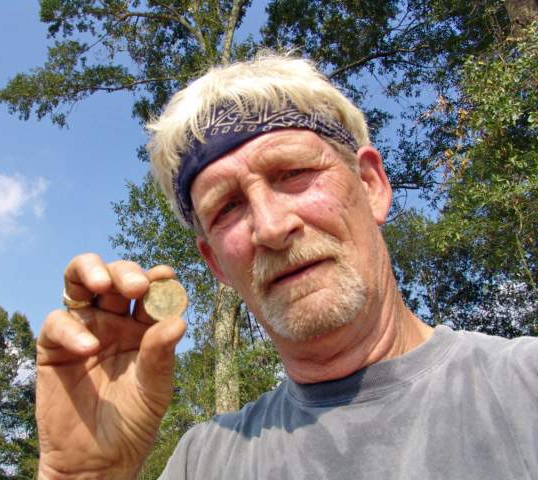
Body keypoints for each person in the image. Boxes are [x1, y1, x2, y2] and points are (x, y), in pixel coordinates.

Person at [36, 54, 537, 479]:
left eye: (293, 173)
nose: (271, 227)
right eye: (227, 207)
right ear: (215, 262)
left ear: (371, 186)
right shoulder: (204, 462)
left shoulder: (525, 386)